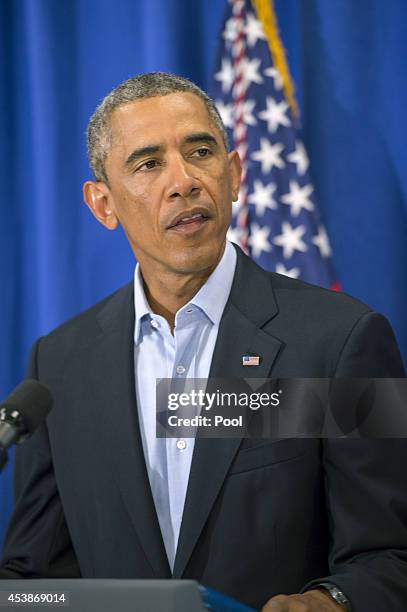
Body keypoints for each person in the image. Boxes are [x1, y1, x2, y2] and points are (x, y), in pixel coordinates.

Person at [1, 73, 407, 611]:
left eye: (200, 152)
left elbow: (390, 557)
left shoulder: (340, 343)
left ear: (234, 174)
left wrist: (331, 601)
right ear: (103, 204)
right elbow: (34, 582)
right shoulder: (59, 366)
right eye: (148, 164)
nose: (184, 181)